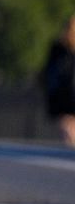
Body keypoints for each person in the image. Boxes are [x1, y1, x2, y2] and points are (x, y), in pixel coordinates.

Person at [42, 14, 75, 147]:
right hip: (64, 93)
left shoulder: (58, 49)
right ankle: (70, 145)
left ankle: (70, 145)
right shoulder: (58, 48)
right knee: (67, 124)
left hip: (65, 92)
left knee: (68, 125)